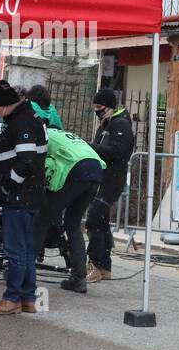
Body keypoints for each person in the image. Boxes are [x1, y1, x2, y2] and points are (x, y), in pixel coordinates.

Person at [0, 80, 46, 315]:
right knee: (27, 249)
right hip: (29, 196)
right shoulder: (30, 117)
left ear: (4, 105)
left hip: (21, 197)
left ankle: (12, 298)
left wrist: (9, 184)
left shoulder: (21, 121)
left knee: (16, 250)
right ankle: (28, 298)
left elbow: (27, 160)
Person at [38, 128, 104, 293]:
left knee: (42, 219)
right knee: (73, 224)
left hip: (77, 170)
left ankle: (23, 273)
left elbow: (39, 163)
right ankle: (79, 278)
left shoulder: (42, 134)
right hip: (96, 169)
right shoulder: (62, 134)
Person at [86, 88, 134, 284]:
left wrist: (91, 146)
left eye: (99, 107)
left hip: (112, 179)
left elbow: (118, 151)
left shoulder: (120, 124)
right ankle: (104, 266)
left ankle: (96, 264)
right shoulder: (107, 123)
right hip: (103, 177)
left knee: (95, 217)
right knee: (101, 220)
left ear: (108, 107)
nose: (96, 111)